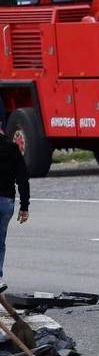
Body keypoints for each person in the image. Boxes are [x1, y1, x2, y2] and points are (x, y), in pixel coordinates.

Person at [0, 123, 30, 290]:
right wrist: (24, 206)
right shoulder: (12, 148)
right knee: (0, 241)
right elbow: (23, 179)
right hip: (6, 202)